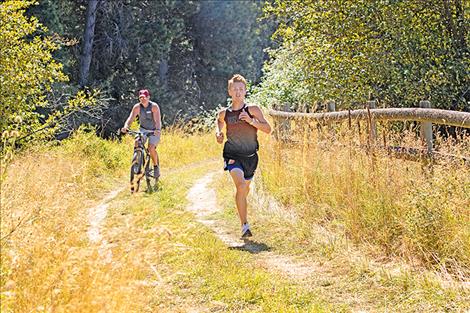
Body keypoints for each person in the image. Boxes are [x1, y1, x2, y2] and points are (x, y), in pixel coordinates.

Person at [216, 74, 271, 238]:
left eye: (241, 89)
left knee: (245, 189)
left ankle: (241, 209)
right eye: (235, 89)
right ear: (229, 92)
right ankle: (244, 225)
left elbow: (268, 129)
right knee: (240, 186)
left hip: (251, 157)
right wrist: (218, 133)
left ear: (245, 91)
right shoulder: (225, 113)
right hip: (232, 154)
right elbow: (218, 120)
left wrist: (251, 121)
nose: (238, 92)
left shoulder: (252, 109)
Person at [122, 89, 161, 178]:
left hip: (154, 130)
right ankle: (137, 162)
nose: (142, 99)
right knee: (137, 142)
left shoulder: (154, 106)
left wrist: (157, 130)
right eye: (141, 98)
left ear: (148, 97)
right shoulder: (137, 107)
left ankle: (155, 167)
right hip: (143, 129)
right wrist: (126, 126)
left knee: (151, 148)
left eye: (144, 97)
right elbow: (130, 118)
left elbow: (157, 121)